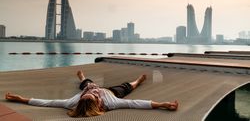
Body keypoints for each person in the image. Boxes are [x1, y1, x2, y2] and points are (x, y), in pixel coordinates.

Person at [5, 70, 178, 117]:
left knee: (86, 83)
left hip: (90, 85)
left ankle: (82, 76)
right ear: (97, 102)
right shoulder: (111, 103)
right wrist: (162, 104)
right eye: (93, 95)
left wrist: (22, 99)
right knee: (128, 87)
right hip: (110, 92)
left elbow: (48, 102)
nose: (93, 93)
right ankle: (139, 80)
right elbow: (136, 103)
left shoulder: (72, 102)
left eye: (88, 94)